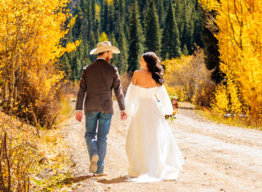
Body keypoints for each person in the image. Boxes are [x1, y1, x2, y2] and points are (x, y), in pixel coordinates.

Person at [125, 51, 183, 181]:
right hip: (153, 109)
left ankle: (139, 168)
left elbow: (131, 94)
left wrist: (129, 109)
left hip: (141, 109)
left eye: (142, 60)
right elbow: (163, 96)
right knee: (156, 138)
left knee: (138, 137)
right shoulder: (156, 76)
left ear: (147, 62)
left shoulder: (136, 74)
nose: (140, 62)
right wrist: (168, 110)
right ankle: (156, 167)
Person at [75, 40, 127, 176]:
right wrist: (123, 109)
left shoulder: (87, 69)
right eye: (111, 53)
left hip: (91, 107)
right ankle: (99, 170)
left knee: (90, 134)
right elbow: (118, 91)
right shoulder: (112, 70)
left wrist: (78, 109)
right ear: (106, 53)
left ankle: (94, 153)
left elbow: (81, 91)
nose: (112, 56)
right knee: (102, 137)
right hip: (106, 108)